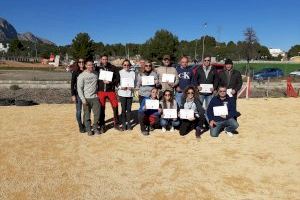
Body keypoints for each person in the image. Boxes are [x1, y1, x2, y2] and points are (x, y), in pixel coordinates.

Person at [95, 55, 120, 132]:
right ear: (101, 60)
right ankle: (102, 124)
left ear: (107, 60)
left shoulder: (113, 68)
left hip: (110, 91)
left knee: (115, 106)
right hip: (101, 91)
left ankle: (116, 124)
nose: (105, 61)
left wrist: (111, 82)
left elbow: (118, 78)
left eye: (106, 59)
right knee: (101, 108)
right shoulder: (97, 68)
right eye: (103, 59)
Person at [77, 60, 101, 136]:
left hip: (95, 98)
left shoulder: (96, 74)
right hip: (86, 98)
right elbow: (79, 89)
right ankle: (88, 129)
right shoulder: (82, 75)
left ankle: (95, 127)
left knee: (97, 114)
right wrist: (83, 99)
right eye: (89, 65)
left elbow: (101, 82)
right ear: (86, 66)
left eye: (92, 65)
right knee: (87, 115)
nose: (91, 66)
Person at [118, 59, 135, 131]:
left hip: (129, 94)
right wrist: (121, 87)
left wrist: (132, 87)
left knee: (129, 110)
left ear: (130, 66)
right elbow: (117, 83)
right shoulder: (119, 72)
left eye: (128, 65)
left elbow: (134, 82)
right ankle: (124, 124)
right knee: (123, 110)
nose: (126, 66)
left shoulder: (133, 73)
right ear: (122, 65)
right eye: (125, 65)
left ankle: (129, 124)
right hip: (122, 93)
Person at [71, 58, 86, 133]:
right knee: (79, 111)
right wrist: (73, 95)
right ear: (77, 63)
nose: (81, 63)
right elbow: (72, 84)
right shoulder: (75, 72)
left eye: (83, 62)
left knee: (86, 111)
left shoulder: (87, 71)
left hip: (86, 94)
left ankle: (85, 124)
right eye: (80, 62)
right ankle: (80, 125)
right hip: (78, 94)